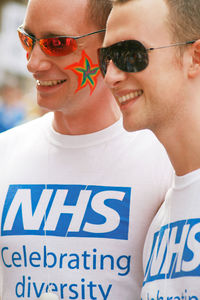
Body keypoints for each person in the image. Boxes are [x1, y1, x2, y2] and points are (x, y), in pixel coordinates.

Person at [0, 0, 173, 299]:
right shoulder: (6, 152)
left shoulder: (166, 161)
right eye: (28, 40)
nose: (33, 62)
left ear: (110, 47)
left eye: (57, 43)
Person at [98, 0, 200, 299]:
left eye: (130, 55)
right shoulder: (159, 222)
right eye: (106, 58)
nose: (111, 76)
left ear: (195, 57)